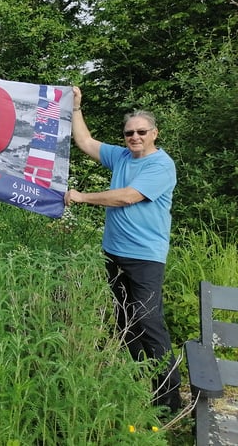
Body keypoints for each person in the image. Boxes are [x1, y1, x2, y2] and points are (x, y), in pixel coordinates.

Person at [64, 86, 181, 415]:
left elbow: (128, 196)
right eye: (129, 132)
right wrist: (75, 108)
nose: (135, 137)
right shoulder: (121, 156)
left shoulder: (161, 165)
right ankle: (144, 383)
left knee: (148, 321)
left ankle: (170, 402)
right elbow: (85, 142)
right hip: (113, 253)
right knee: (125, 321)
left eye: (141, 132)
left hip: (145, 257)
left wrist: (82, 197)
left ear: (154, 133)